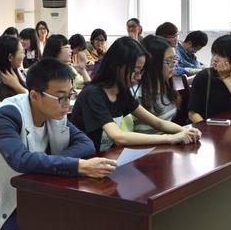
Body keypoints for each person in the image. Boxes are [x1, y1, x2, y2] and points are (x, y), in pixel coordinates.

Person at [0, 58, 113, 230]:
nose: (67, 104)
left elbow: (86, 144)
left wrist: (50, 162)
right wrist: (76, 166)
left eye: (70, 95)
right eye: (60, 97)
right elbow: (20, 160)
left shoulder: (55, 115)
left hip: (31, 199)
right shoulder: (8, 114)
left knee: (76, 228)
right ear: (35, 95)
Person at [70, 37, 201, 152]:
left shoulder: (121, 92)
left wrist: (185, 131)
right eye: (135, 71)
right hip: (86, 160)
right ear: (116, 66)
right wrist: (170, 138)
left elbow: (158, 123)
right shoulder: (93, 94)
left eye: (141, 71)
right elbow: (118, 137)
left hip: (105, 157)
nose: (138, 77)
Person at [188, 34, 231, 123]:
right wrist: (206, 127)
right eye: (214, 54)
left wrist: (226, 78)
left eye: (221, 55)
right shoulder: (204, 76)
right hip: (209, 127)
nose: (215, 59)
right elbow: (192, 113)